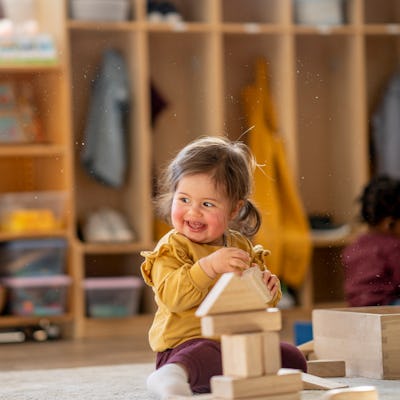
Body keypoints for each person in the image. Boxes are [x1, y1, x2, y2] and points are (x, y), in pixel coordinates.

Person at [140, 136, 307, 399]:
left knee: (292, 357)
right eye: (184, 199)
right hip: (184, 347)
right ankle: (169, 378)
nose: (193, 212)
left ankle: (238, 376)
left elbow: (252, 300)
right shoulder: (172, 247)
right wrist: (208, 267)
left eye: (207, 204)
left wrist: (269, 291)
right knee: (203, 354)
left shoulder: (240, 245)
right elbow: (172, 297)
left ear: (233, 210)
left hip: (234, 341)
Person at [343, 175, 400, 307]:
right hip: (385, 307)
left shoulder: (354, 246)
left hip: (356, 308)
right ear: (389, 223)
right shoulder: (393, 246)